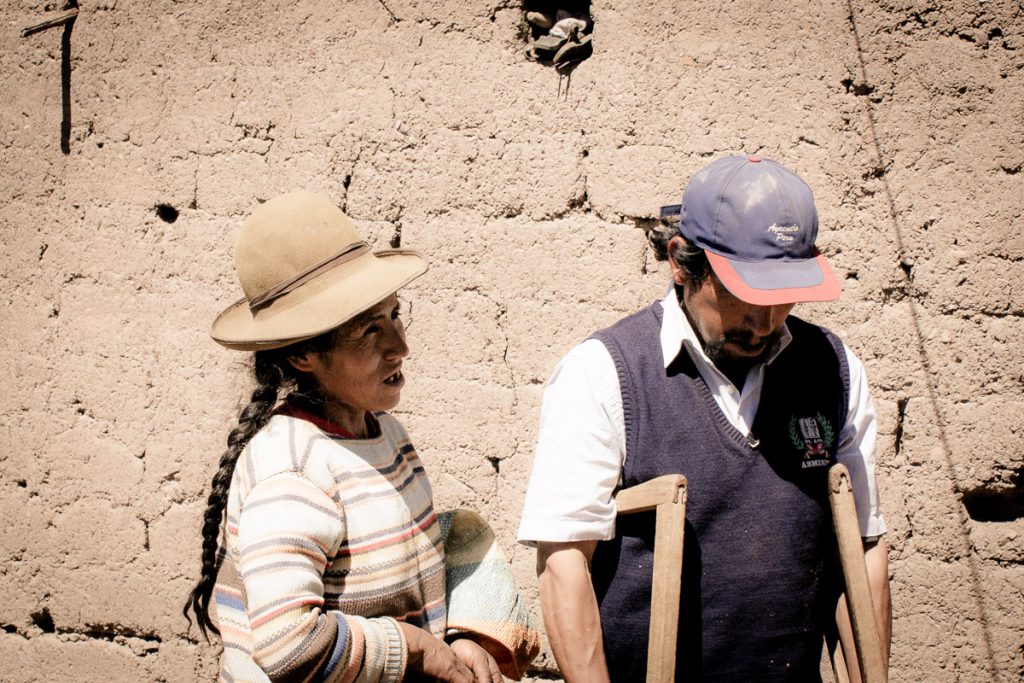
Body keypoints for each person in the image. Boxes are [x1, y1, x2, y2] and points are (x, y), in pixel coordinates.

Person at [517, 155, 892, 682]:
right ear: (681, 261)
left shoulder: (833, 368)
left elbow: (863, 548)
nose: (764, 322)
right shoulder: (603, 373)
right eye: (745, 293)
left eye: (783, 295)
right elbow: (564, 565)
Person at [184, 190, 538, 682]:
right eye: (370, 331)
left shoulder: (385, 436)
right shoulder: (292, 469)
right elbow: (289, 646)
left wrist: (460, 641)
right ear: (302, 356)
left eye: (395, 315)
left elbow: (414, 557)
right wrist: (416, 651)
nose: (401, 346)